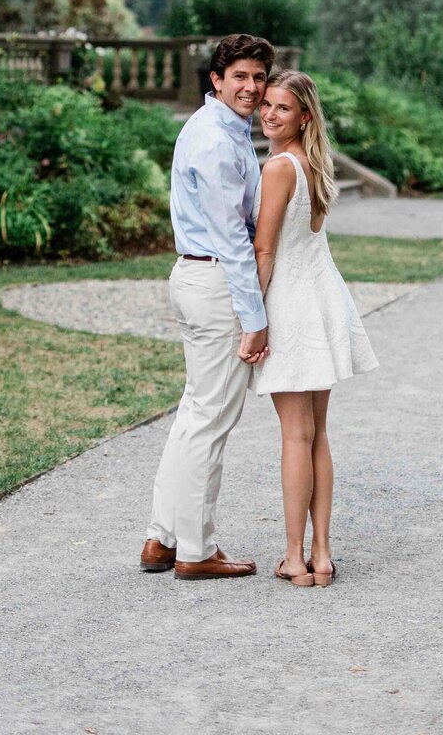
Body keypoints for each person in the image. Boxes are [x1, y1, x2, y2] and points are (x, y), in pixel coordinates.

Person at [140, 32, 274, 580]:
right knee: (211, 420)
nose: (251, 87)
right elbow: (232, 236)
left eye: (259, 77)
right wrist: (255, 318)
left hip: (198, 277)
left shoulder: (214, 127)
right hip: (216, 283)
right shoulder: (218, 140)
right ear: (216, 79)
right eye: (239, 76)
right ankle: (196, 551)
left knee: (196, 414)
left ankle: (162, 539)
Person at [246, 70, 377, 586]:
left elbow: (265, 250)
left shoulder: (279, 167)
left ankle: (295, 556)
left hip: (292, 306)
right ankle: (322, 553)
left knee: (295, 435)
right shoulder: (315, 165)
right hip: (322, 299)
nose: (269, 114)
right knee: (317, 432)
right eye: (266, 105)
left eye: (282, 107)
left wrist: (252, 319)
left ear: (304, 116)